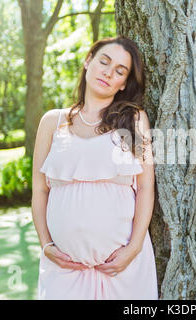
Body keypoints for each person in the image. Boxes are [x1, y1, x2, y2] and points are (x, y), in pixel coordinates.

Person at [31, 35, 158, 300]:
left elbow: (146, 187)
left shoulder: (134, 120)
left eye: (119, 71)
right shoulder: (52, 123)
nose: (108, 72)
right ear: (88, 62)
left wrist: (133, 249)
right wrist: (46, 245)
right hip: (63, 272)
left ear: (124, 84)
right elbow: (40, 191)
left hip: (122, 270)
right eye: (104, 61)